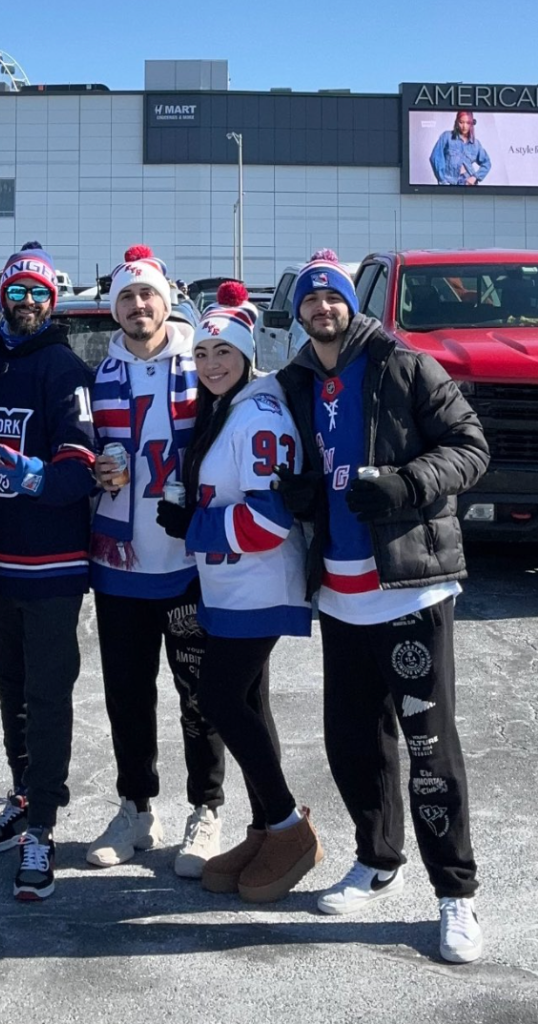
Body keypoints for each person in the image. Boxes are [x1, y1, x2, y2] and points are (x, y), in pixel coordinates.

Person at [274, 249, 490, 963]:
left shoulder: (404, 364)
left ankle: (454, 894)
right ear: (298, 313)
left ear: (350, 304)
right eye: (310, 301)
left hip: (409, 587)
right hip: (339, 594)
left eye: (331, 298)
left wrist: (405, 484)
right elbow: (298, 464)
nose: (321, 309)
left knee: (430, 750)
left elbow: (468, 446)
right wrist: (299, 493)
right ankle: (376, 860)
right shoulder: (295, 381)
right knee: (354, 743)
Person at [155, 305, 323, 902]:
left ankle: (286, 827)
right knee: (246, 699)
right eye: (200, 354)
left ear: (248, 354)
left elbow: (270, 519)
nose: (209, 364)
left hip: (261, 583)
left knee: (222, 696)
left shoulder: (260, 410)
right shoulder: (227, 407)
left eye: (222, 351)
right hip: (232, 584)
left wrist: (193, 526)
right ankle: (263, 829)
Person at [87, 245, 225, 879]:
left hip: (190, 561)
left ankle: (207, 807)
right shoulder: (100, 374)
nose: (138, 306)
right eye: (126, 297)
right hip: (120, 562)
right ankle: (136, 807)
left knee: (201, 693)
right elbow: (82, 451)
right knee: (127, 695)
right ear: (114, 307)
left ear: (167, 300)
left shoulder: (204, 363)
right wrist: (97, 470)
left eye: (147, 295)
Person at [0, 241, 96, 901]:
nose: (25, 303)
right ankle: (23, 795)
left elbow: (80, 471)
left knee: (47, 700)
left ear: (52, 301)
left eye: (36, 293)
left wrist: (30, 473)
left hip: (50, 570)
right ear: (0, 297)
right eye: (15, 292)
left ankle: (42, 827)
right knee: (9, 694)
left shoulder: (63, 369)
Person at [430, 111, 491, 186]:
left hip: (468, 182)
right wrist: (442, 180)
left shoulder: (475, 143)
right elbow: (435, 157)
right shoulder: (447, 137)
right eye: (461, 122)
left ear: (471, 124)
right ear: (456, 122)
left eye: (468, 123)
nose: (464, 126)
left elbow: (487, 163)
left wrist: (475, 177)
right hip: (450, 181)